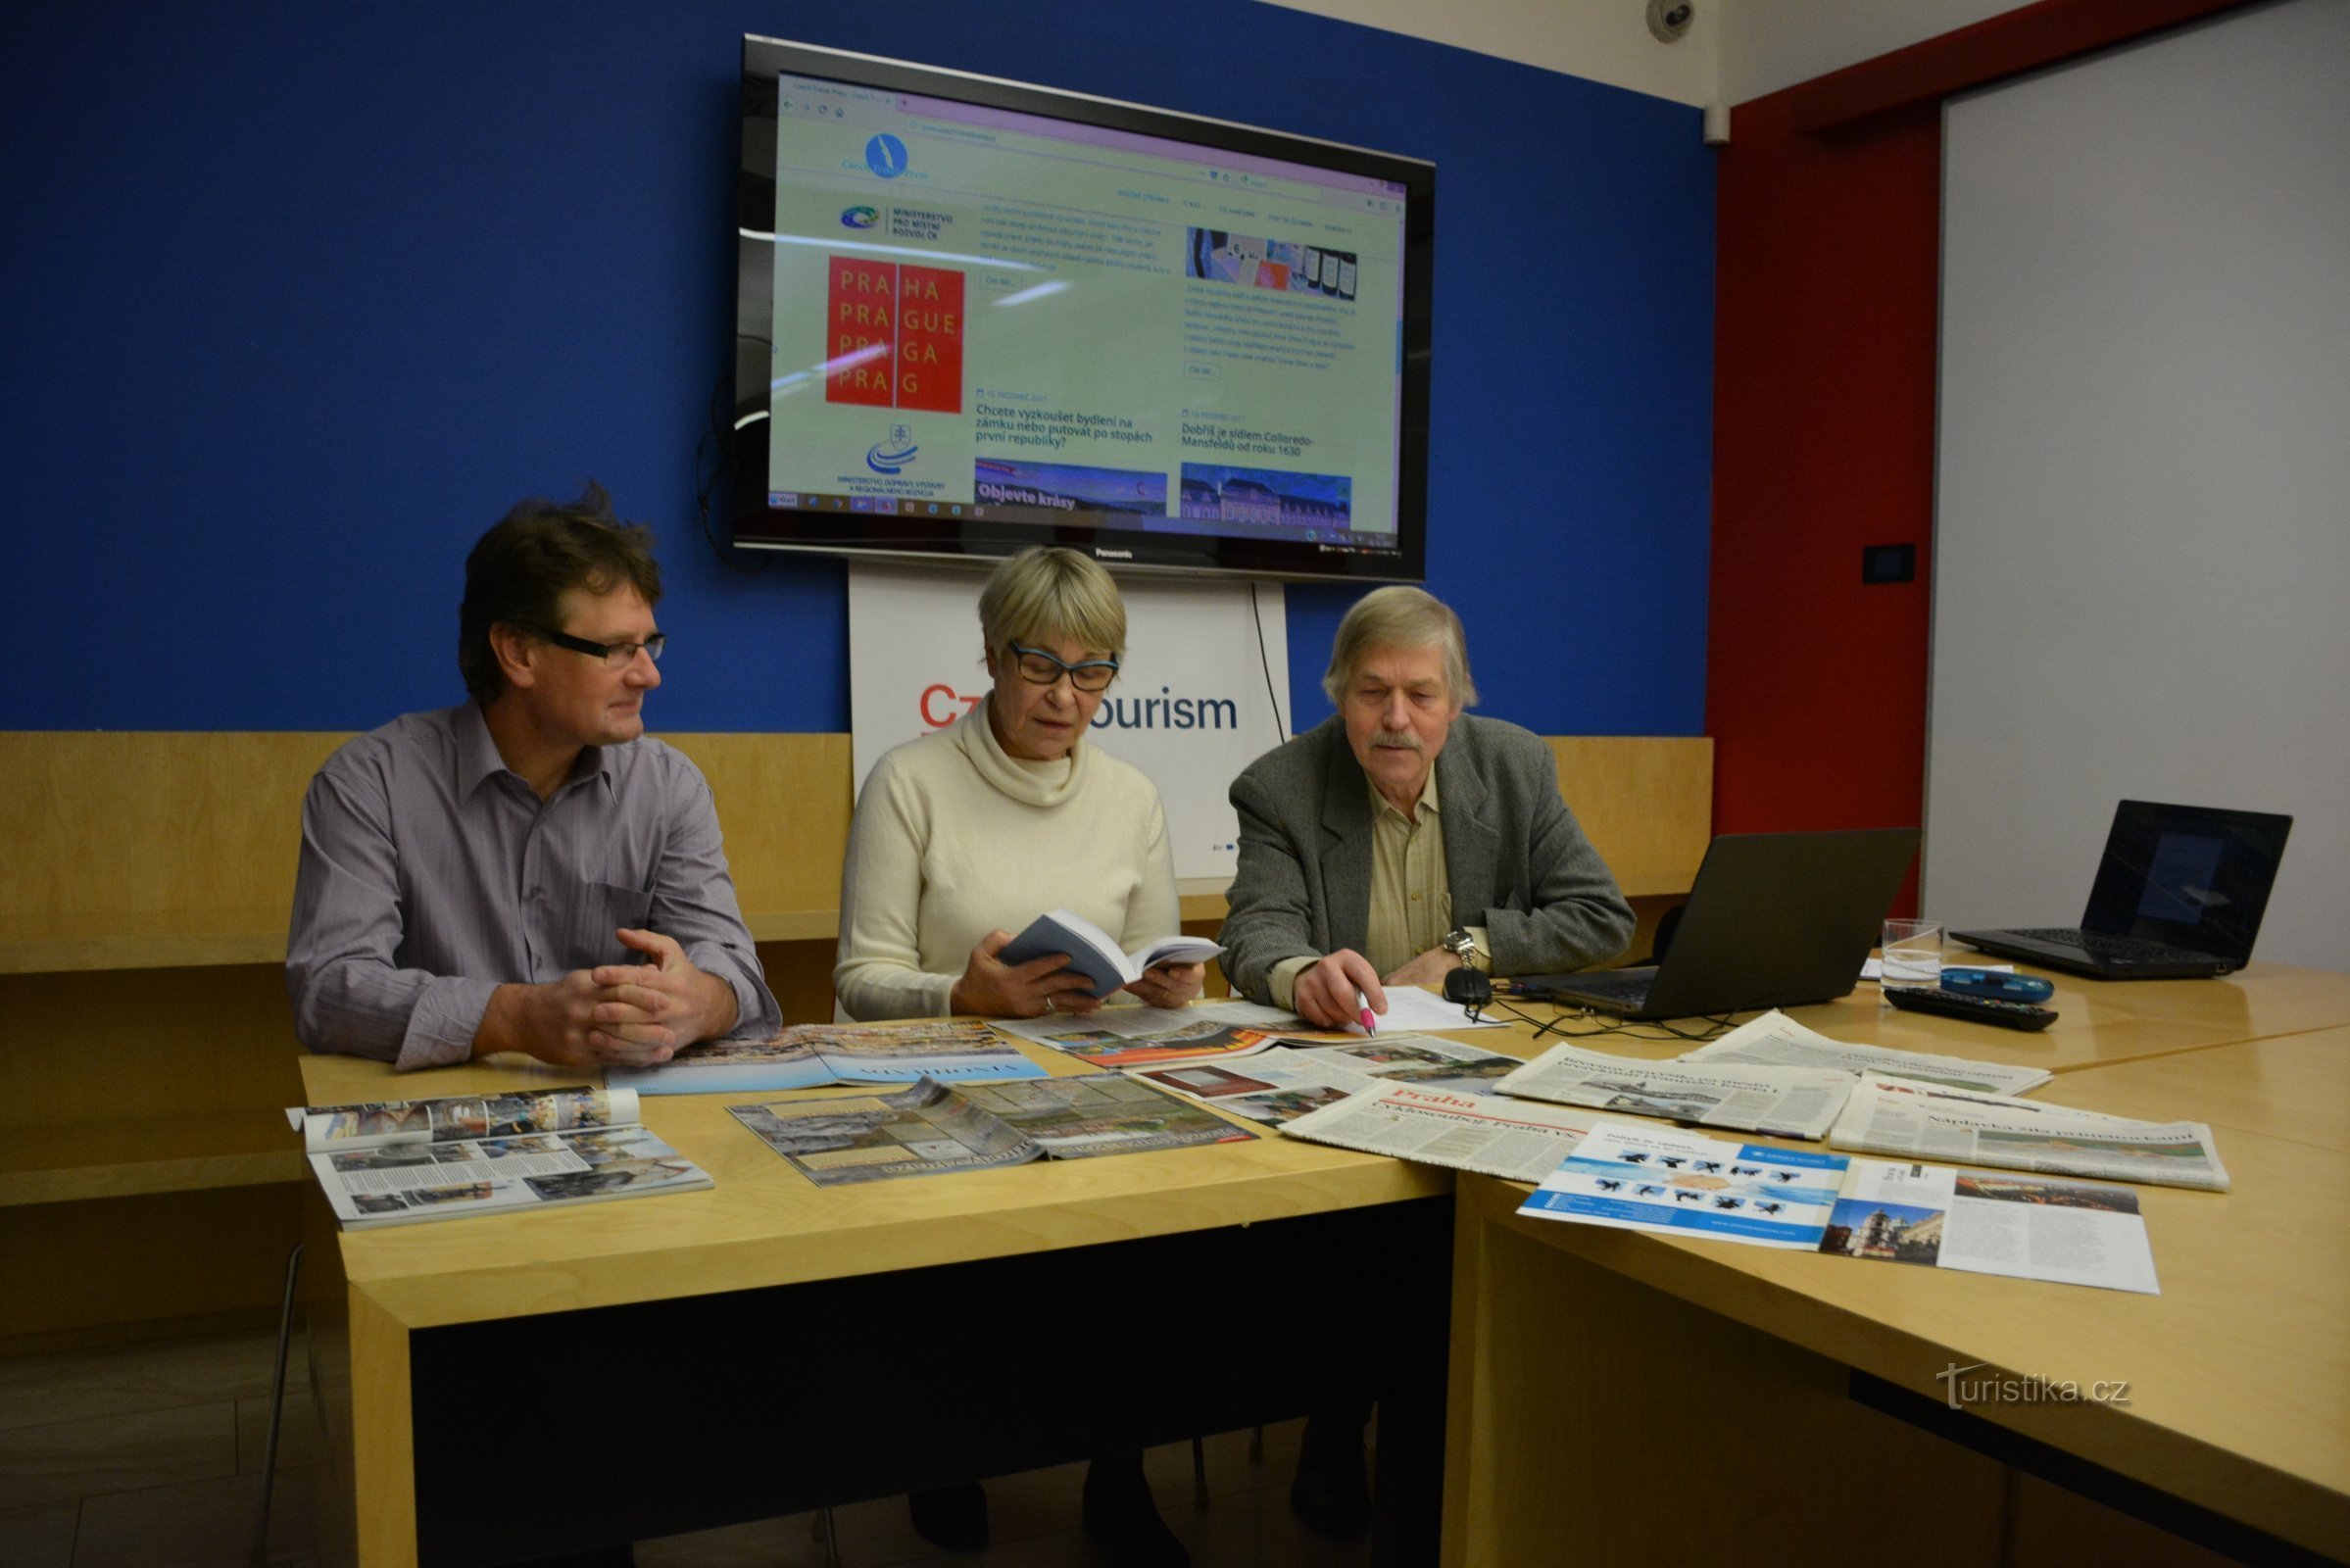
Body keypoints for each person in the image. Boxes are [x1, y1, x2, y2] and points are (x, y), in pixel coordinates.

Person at [1218, 584, 1634, 1539]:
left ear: (1457, 699)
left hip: (1487, 1073)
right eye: (1372, 692)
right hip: (1345, 1075)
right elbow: (1256, 932)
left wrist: (1470, 952)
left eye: (1420, 693)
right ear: (1337, 696)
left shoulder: (1515, 766)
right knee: (1369, 1235)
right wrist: (1300, 972)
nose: (1396, 718)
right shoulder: (1281, 784)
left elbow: (1600, 917)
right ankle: (1338, 1424)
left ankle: (1490, 1432)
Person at [833, 546, 1199, 1565]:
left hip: (1091, 1079)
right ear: (990, 655)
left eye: (1093, 672)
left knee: (1159, 1232)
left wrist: (1169, 986)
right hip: (939, 1081)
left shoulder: (1130, 794)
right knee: (971, 1249)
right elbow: (861, 977)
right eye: (1041, 665)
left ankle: (1118, 1475)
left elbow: (1155, 962)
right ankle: (945, 1452)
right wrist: (962, 992)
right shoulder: (909, 780)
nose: (1066, 695)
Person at [286, 483, 777, 1073]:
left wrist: (701, 1001)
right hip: (444, 1131)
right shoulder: (371, 783)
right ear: (518, 652)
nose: (649, 675)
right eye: (618, 649)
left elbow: (732, 966)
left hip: (624, 1121)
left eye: (650, 645)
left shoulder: (670, 787)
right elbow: (330, 990)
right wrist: (514, 1018)